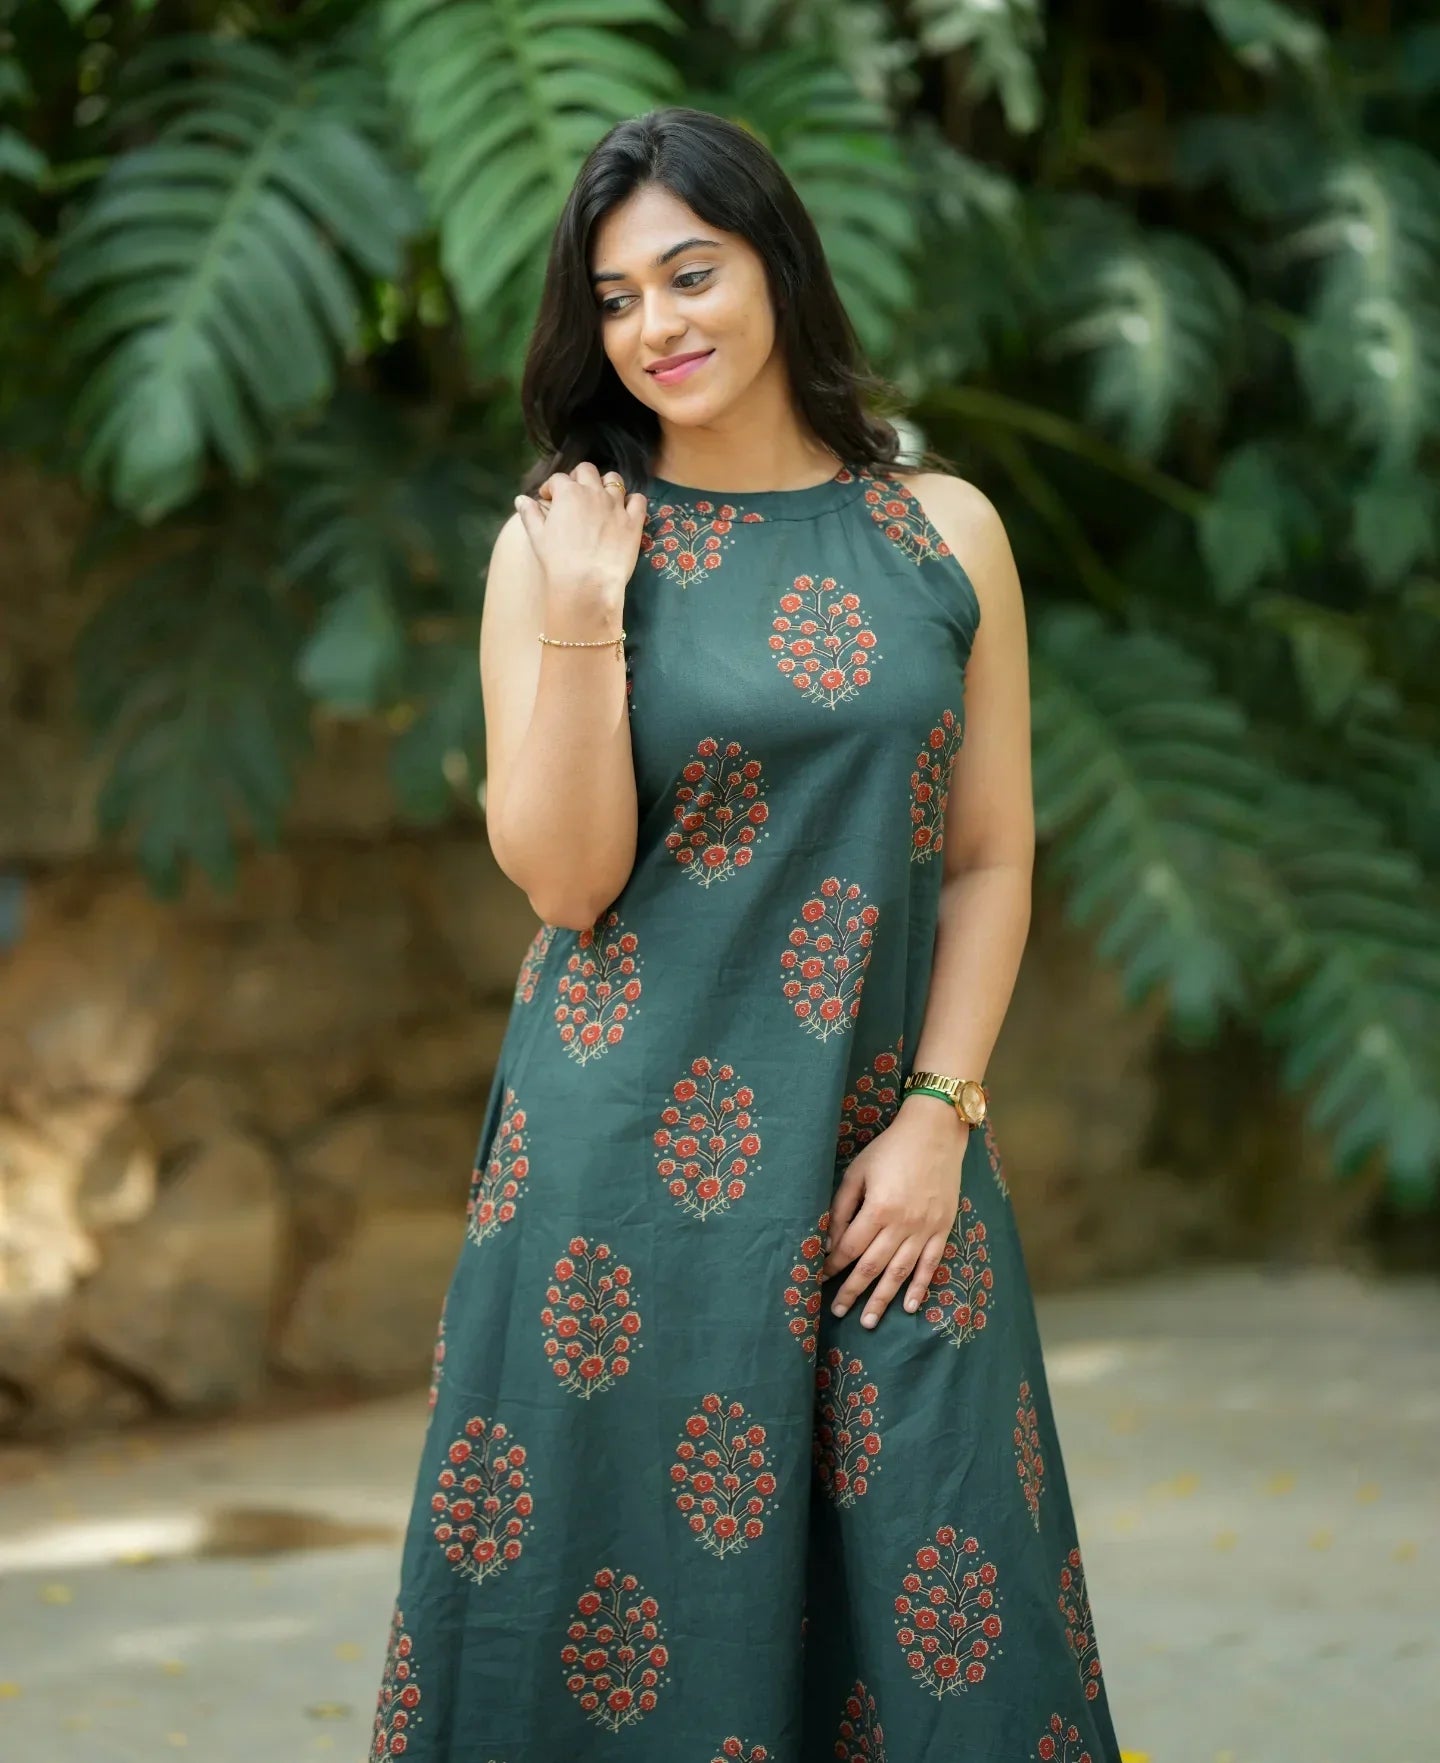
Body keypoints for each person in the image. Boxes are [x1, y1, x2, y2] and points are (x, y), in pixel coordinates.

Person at [369, 104, 1125, 1763]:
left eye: (690, 273)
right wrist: (587, 611)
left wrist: (940, 1115)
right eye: (616, 298)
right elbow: (566, 884)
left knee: (947, 1607)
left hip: (887, 1172)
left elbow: (991, 857)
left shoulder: (944, 530)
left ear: (776, 263)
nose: (657, 324)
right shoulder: (556, 547)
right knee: (615, 1609)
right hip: (620, 1189)